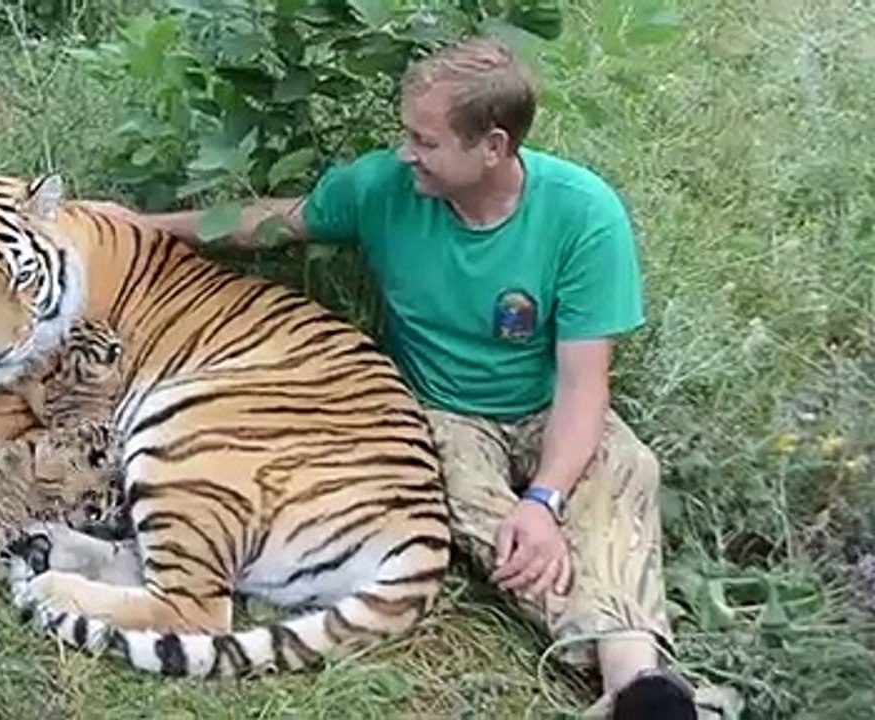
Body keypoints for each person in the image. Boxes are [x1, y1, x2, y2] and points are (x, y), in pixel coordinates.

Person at [84, 36, 738, 720]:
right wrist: (142, 226)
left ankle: (632, 692)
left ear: (491, 145)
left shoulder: (583, 215)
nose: (406, 153)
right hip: (440, 413)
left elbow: (583, 383)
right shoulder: (383, 188)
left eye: (425, 141)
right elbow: (274, 223)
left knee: (627, 471)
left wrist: (545, 498)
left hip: (549, 404)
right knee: (493, 526)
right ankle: (644, 687)